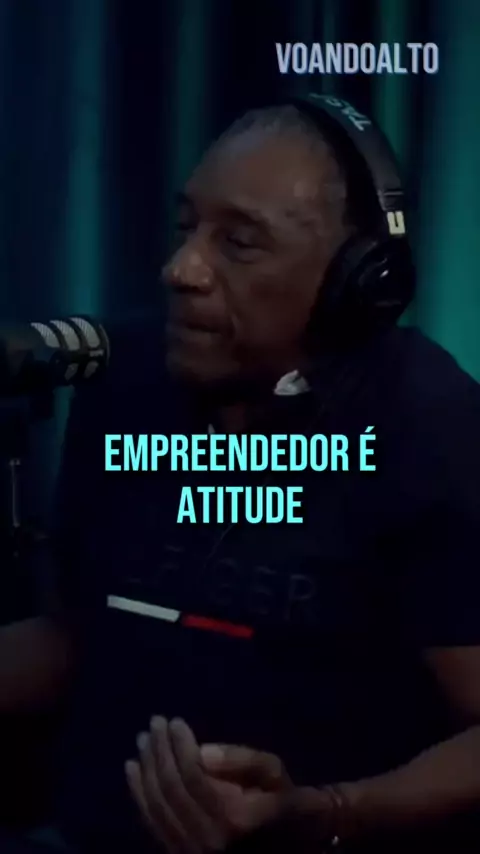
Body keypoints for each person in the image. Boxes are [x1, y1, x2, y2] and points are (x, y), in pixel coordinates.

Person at [1, 100, 480, 854]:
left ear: (357, 279)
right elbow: (78, 632)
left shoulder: (427, 423)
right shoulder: (129, 377)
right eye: (185, 227)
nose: (181, 269)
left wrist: (322, 812)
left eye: (240, 243)